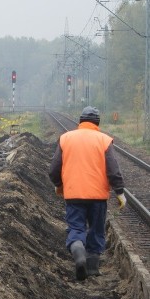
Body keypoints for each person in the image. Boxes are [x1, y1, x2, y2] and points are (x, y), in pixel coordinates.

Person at [49, 106, 126, 281]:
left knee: (76, 228)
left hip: (74, 195)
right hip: (98, 197)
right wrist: (120, 192)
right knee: (96, 230)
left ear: (80, 121)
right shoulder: (104, 140)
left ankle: (78, 254)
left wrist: (58, 184)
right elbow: (113, 171)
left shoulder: (65, 138)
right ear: (98, 123)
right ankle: (92, 268)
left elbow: (54, 169)